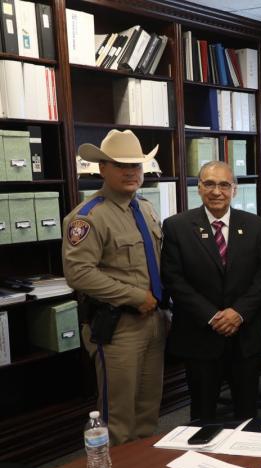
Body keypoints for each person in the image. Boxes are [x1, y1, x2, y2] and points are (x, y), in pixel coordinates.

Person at [62, 129, 165, 445]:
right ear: (102, 168)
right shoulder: (88, 217)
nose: (131, 172)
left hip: (154, 323)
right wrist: (136, 297)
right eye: (121, 165)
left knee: (148, 412)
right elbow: (79, 274)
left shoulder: (145, 207)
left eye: (136, 165)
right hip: (118, 327)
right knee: (118, 418)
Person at [161, 161, 261, 422]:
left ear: (234, 189)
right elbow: (174, 279)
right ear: (199, 188)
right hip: (200, 336)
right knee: (202, 414)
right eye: (209, 184)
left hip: (244, 335)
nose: (216, 191)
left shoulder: (256, 226)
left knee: (247, 412)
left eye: (224, 184)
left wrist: (238, 312)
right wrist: (212, 316)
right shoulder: (177, 226)